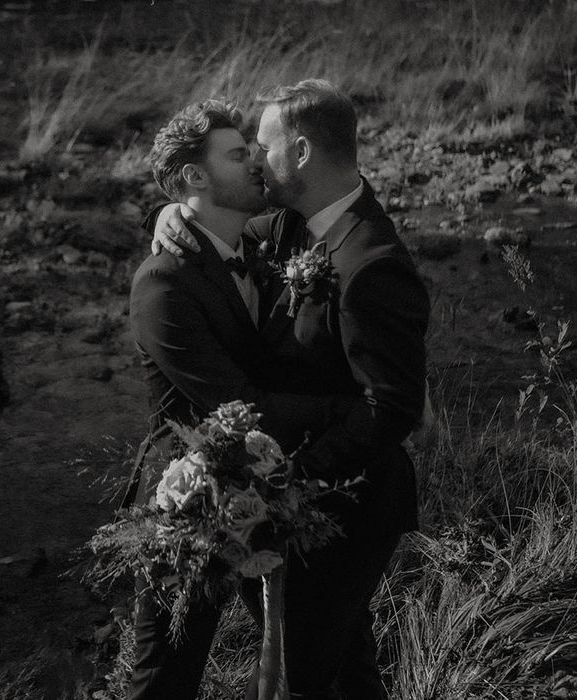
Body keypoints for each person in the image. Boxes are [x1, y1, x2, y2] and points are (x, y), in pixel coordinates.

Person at [150, 79, 431, 699]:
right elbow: (224, 237)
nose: (255, 158)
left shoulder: (372, 262)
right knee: (344, 662)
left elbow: (392, 408)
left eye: (264, 145)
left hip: (349, 501)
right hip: (294, 495)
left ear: (300, 152)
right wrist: (175, 211)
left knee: (303, 673)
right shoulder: (289, 226)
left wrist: (295, 474)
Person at [125, 98, 356, 700]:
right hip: (189, 501)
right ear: (195, 178)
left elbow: (341, 187)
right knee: (164, 679)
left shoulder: (257, 245)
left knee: (328, 660)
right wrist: (354, 412)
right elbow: (238, 403)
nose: (256, 162)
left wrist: (171, 210)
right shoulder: (162, 285)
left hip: (274, 488)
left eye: (254, 150)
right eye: (237, 154)